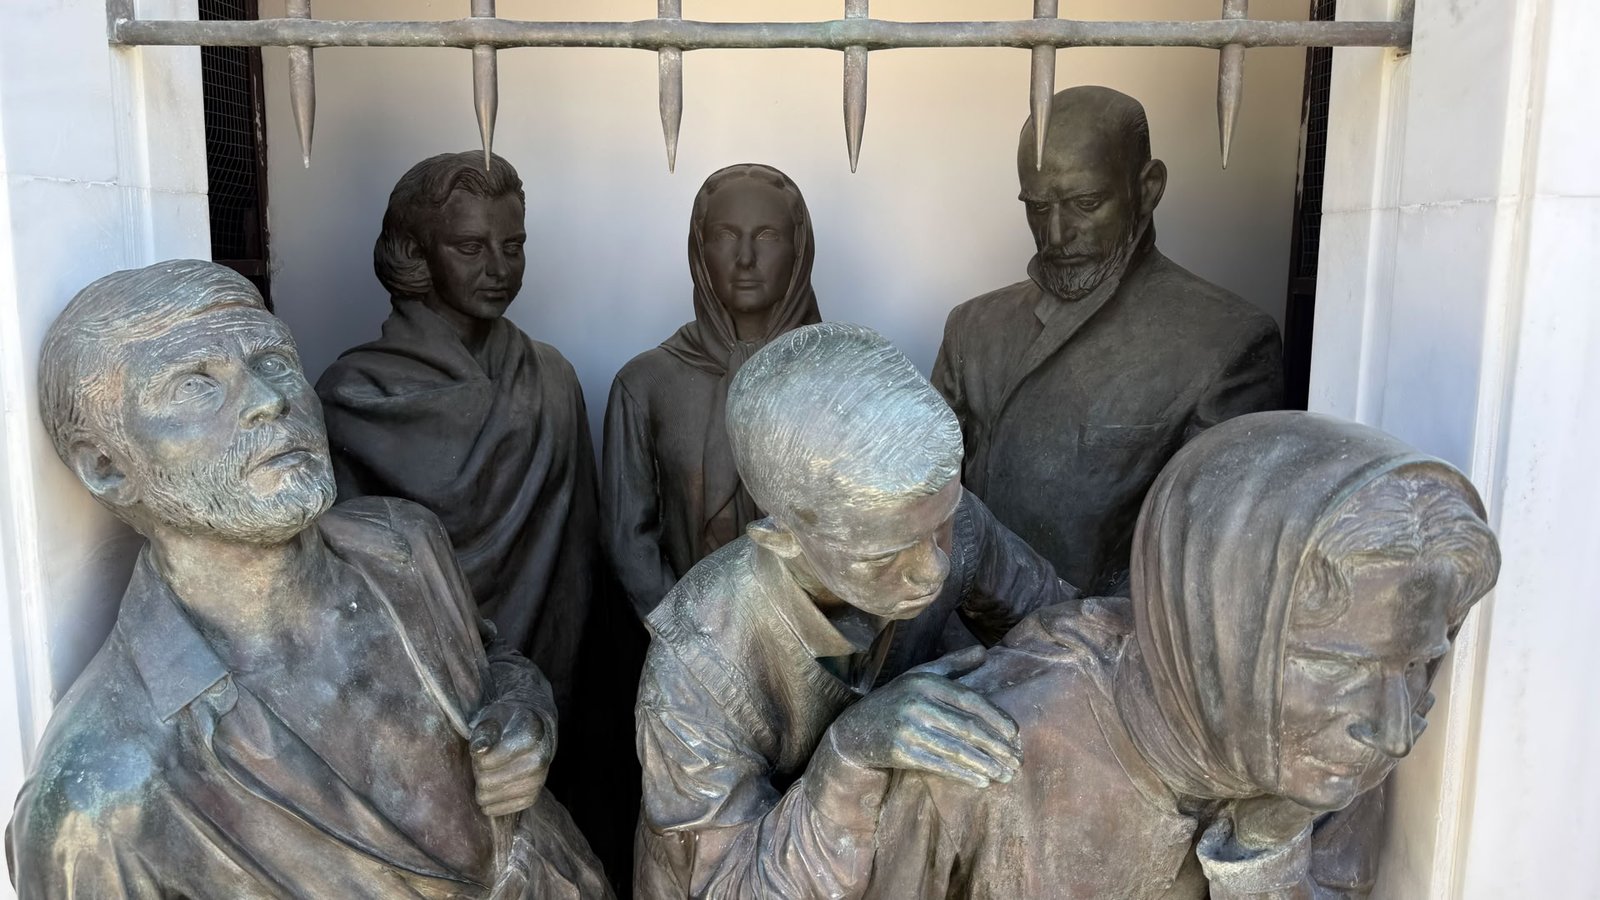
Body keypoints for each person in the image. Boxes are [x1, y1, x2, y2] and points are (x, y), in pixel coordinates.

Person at [9, 260, 612, 898]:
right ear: (107, 466)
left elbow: (489, 659)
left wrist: (523, 712)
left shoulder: (400, 541)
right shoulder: (95, 803)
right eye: (194, 386)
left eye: (271, 361)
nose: (269, 400)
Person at [857, 411, 1500, 899]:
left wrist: (1266, 851)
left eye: (1413, 665)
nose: (1395, 733)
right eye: (1342, 666)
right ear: (1219, 624)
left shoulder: (1331, 756)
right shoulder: (984, 751)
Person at [634, 323, 1079, 897]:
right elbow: (728, 887)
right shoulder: (696, 670)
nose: (933, 568)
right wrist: (848, 755)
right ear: (782, 539)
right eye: (884, 556)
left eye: (942, 524)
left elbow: (1069, 629)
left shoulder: (941, 520)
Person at [933, 86, 1284, 596]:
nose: (1056, 234)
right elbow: (924, 509)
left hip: (1093, 639)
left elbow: (1206, 564)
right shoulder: (972, 327)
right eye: (1038, 207)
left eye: (1085, 203)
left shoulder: (1227, 342)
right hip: (958, 632)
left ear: (1147, 188)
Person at [316, 151, 598, 714]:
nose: (498, 268)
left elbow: (583, 556)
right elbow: (338, 582)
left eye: (512, 246)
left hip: (552, 670)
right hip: (415, 687)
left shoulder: (551, 377)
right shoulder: (353, 393)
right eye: (469, 247)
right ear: (415, 253)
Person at [602, 163, 822, 618]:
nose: (745, 258)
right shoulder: (644, 383)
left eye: (767, 236)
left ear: (799, 250)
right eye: (725, 235)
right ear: (700, 250)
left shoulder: (845, 376)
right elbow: (629, 541)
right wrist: (689, 637)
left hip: (824, 641)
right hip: (688, 636)